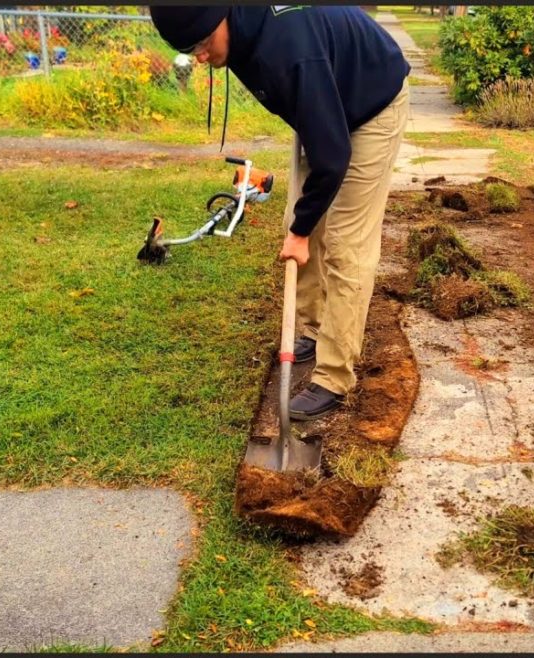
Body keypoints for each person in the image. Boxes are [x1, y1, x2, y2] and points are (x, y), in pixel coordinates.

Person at [150, 6, 411, 420]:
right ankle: (312, 329)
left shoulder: (287, 51)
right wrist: (301, 228)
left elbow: (333, 158)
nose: (199, 56)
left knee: (345, 244)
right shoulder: (239, 33)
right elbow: (319, 135)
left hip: (371, 101)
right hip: (326, 93)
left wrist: (302, 233)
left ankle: (334, 376)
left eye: (201, 43)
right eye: (188, 49)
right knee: (298, 219)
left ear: (220, 18)